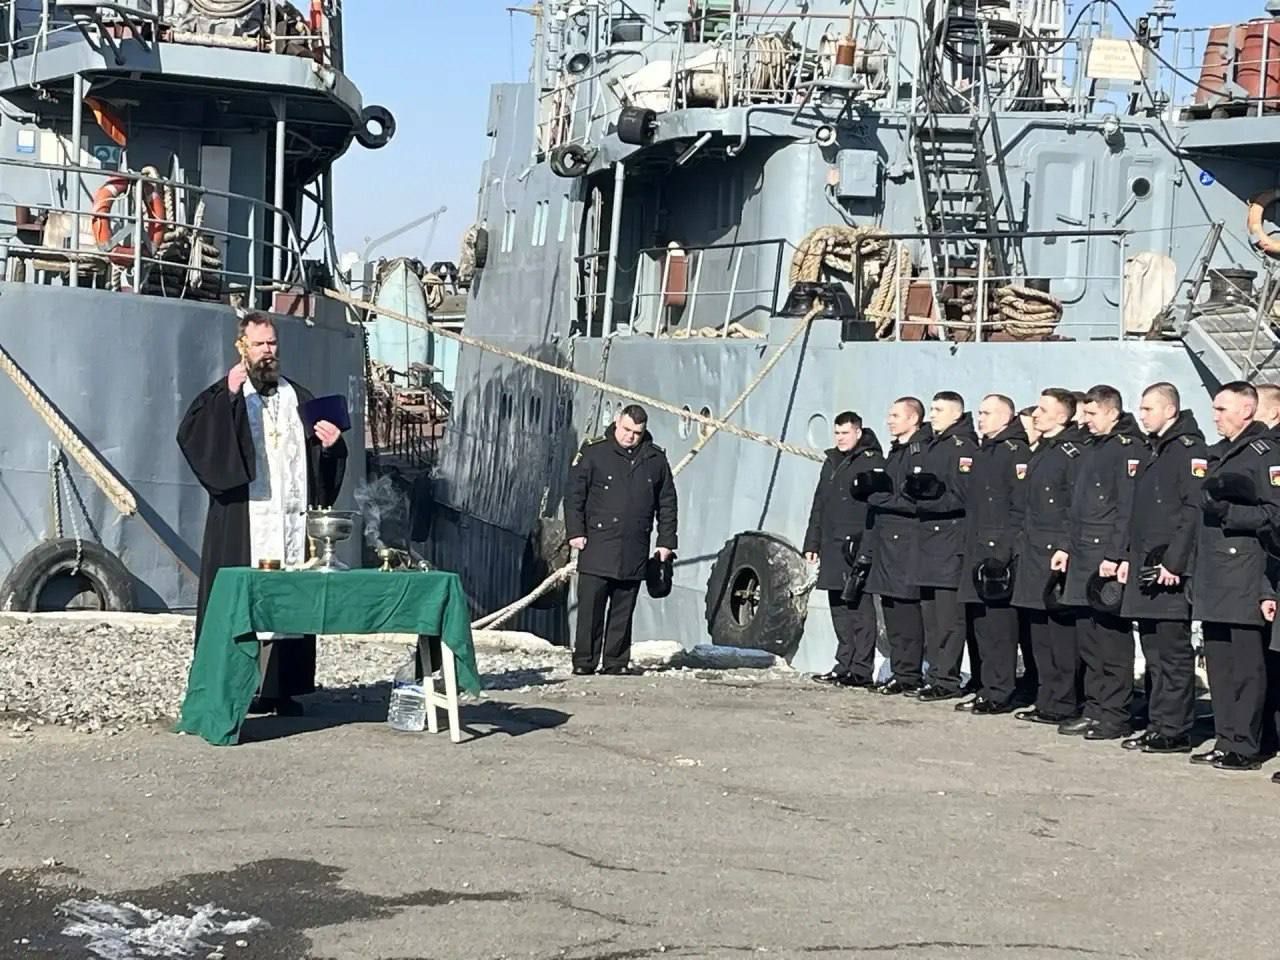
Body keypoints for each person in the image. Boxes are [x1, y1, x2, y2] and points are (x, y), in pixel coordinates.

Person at [177, 311, 348, 716]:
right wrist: (229, 397)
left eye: (272, 343)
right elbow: (195, 437)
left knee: (288, 599)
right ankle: (234, 689)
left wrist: (330, 447)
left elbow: (319, 465)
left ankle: (279, 689)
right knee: (242, 601)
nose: (267, 352)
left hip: (290, 522)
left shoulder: (299, 398)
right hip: (245, 520)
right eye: (259, 344)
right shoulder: (225, 394)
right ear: (243, 347)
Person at [1192, 381, 1280, 771]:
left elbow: (1274, 514)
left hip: (1244, 570)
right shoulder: (1220, 452)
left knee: (1246, 666)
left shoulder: (1265, 454)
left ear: (1247, 410)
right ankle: (1226, 738)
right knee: (1219, 663)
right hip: (1213, 572)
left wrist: (1229, 513)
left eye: (1222, 409)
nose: (1215, 416)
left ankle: (1245, 744)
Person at [1117, 382, 1206, 754]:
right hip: (1146, 566)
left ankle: (1174, 729)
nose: (1142, 415)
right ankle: (1158, 723)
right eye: (1141, 408)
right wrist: (1126, 556)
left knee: (1172, 653)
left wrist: (1174, 562)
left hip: (1167, 569)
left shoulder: (1187, 450)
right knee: (1153, 651)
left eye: (1149, 409)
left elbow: (1192, 510)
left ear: (1170, 410)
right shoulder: (1154, 448)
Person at [1056, 385, 1148, 741]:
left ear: (1112, 412)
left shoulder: (1127, 449)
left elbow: (1127, 508)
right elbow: (1076, 508)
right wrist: (1065, 546)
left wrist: (1116, 554)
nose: (1085, 420)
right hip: (1082, 554)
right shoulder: (1091, 447)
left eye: (1092, 414)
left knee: (1111, 641)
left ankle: (1115, 714)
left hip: (1104, 557)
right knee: (1089, 642)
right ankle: (1094, 708)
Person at [566, 404, 677, 676]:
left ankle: (615, 661)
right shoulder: (594, 452)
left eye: (637, 433)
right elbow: (574, 495)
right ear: (617, 422)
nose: (630, 436)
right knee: (591, 608)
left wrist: (665, 542)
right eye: (626, 430)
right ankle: (584, 660)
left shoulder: (655, 459)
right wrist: (575, 532)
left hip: (633, 544)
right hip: (598, 542)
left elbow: (667, 503)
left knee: (623, 609)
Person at [1012, 388, 1085, 727]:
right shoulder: (1043, 449)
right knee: (1039, 633)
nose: (1036, 415)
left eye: (1043, 409)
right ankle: (1047, 698)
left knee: (1059, 635)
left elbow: (1074, 507)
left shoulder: (1071, 453)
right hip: (1033, 550)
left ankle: (1063, 701)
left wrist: (1065, 546)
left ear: (1062, 415)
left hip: (1053, 553)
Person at [956, 394, 1029, 714]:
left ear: (1005, 417)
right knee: (981, 627)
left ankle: (1000, 691)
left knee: (999, 628)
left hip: (997, 554)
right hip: (976, 549)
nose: (980, 418)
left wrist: (1002, 552)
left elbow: (1018, 507)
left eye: (987, 413)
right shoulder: (984, 450)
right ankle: (986, 686)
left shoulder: (1014, 452)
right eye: (980, 413)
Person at [804, 412, 885, 687]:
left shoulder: (872, 461)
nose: (840, 438)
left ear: (858, 433)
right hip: (831, 545)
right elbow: (819, 504)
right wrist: (812, 542)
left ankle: (861, 670)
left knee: (859, 608)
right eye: (837, 433)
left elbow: (876, 507)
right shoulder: (831, 462)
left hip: (855, 546)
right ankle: (843, 665)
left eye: (845, 433)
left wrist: (868, 545)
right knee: (839, 608)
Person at [910, 391, 978, 702]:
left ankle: (946, 679)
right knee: (931, 617)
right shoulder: (933, 445)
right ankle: (935, 673)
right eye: (932, 408)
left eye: (938, 409)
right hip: (929, 542)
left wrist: (924, 502)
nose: (932, 415)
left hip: (949, 541)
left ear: (955, 414)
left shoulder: (962, 447)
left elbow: (962, 496)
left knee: (948, 618)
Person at [862, 397, 929, 695]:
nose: (889, 420)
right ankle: (901, 670)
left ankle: (909, 673)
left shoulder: (918, 452)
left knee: (905, 613)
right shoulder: (897, 452)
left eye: (895, 416)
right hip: (888, 545)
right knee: (891, 611)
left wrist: (880, 499)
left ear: (913, 419)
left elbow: (915, 500)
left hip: (905, 545)